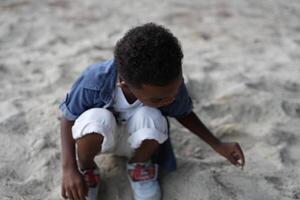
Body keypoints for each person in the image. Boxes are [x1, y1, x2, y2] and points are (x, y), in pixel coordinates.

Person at [59, 23, 245, 200]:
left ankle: (139, 164)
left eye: (176, 87)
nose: (170, 99)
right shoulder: (94, 81)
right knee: (97, 118)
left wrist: (218, 145)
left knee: (153, 116)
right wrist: (69, 168)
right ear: (124, 84)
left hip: (139, 143)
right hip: (100, 139)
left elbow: (183, 113)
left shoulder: (169, 82)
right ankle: (87, 169)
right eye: (158, 99)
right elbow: (67, 118)